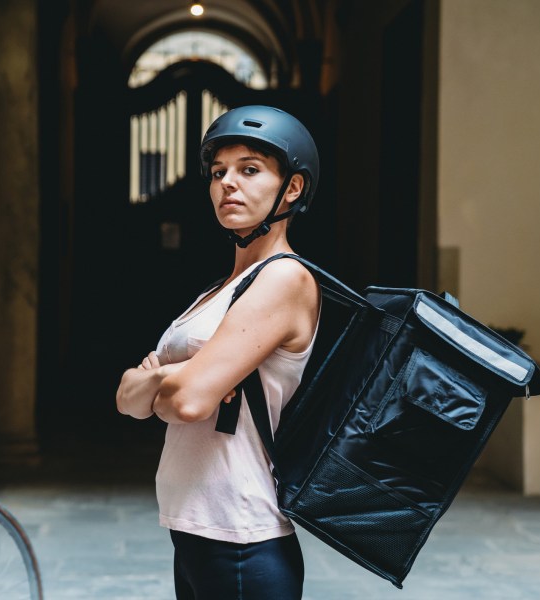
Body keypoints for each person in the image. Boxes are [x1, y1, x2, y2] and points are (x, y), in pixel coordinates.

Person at [116, 105, 321, 599]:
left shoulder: (285, 279)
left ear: (291, 188)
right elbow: (127, 398)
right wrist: (188, 375)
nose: (228, 183)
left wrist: (167, 379)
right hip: (195, 533)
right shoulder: (217, 290)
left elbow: (184, 404)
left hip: (243, 540)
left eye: (250, 169)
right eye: (218, 172)